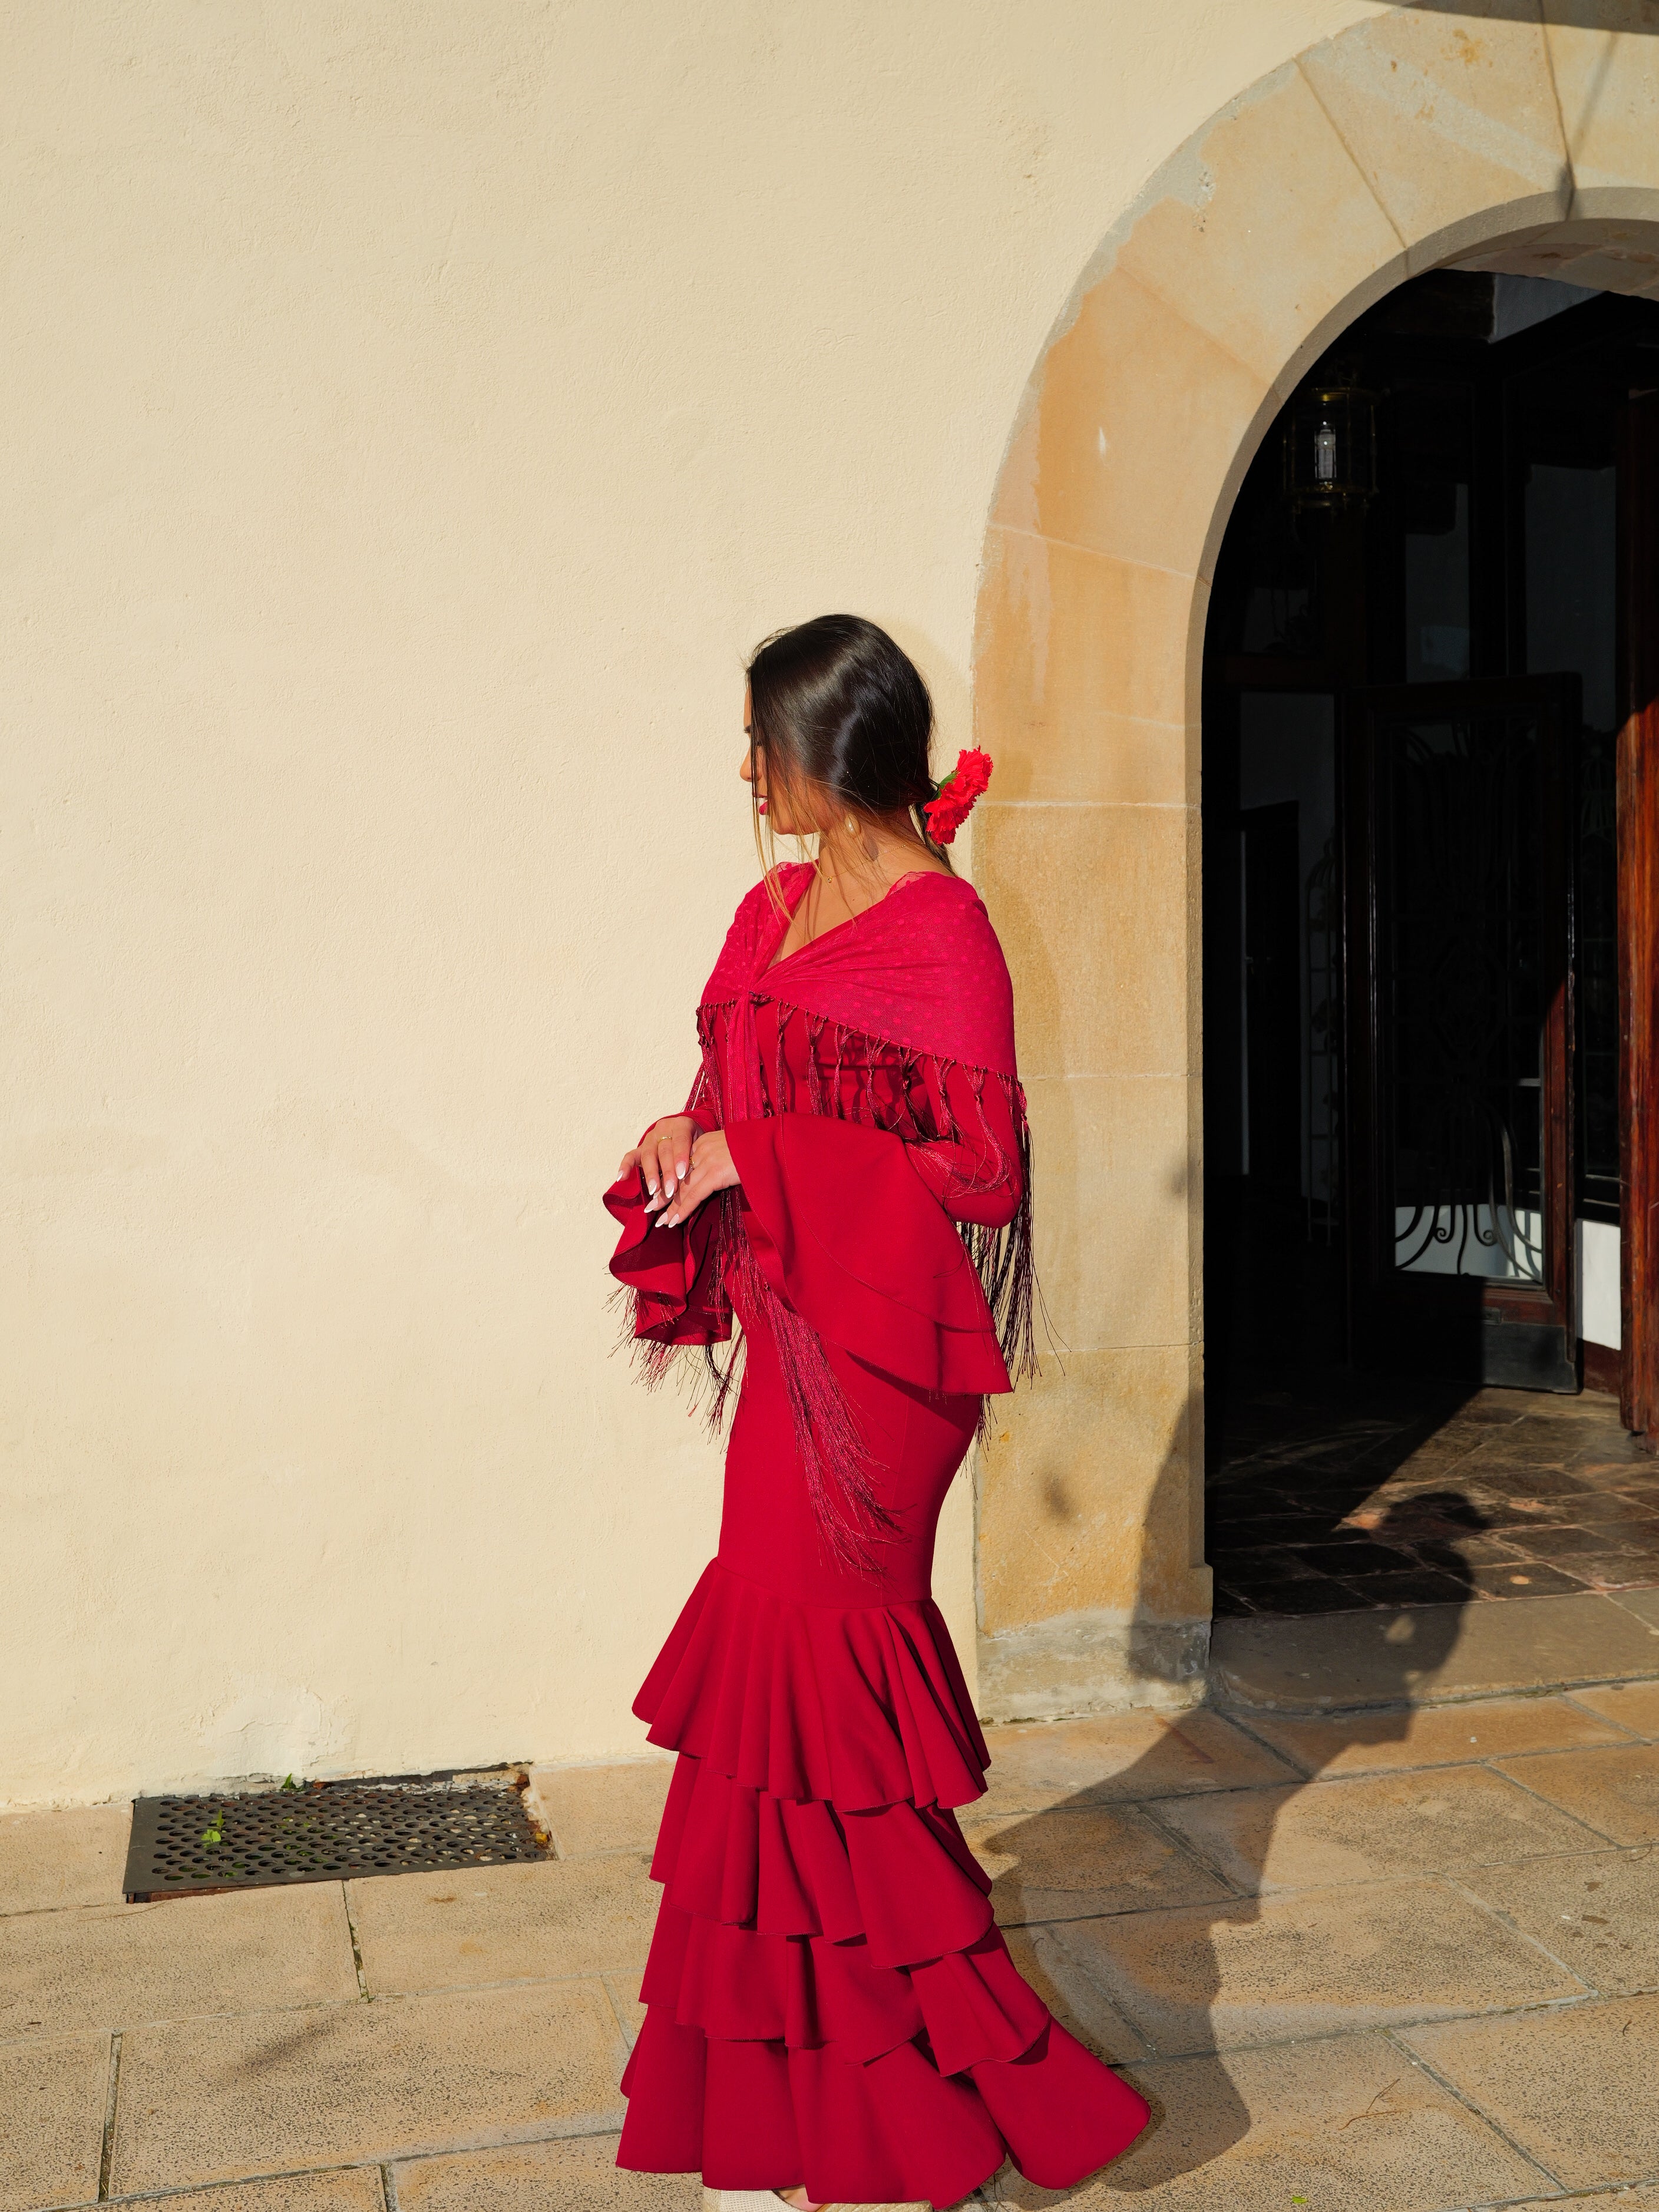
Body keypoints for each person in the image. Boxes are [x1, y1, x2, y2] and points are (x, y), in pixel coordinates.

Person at [603, 615, 1150, 2209]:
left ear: (833, 761)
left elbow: (978, 1172)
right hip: (793, 1326)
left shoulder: (943, 929)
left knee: (825, 1684)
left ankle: (937, 2084)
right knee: (775, 1685)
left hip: (885, 1363)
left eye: (765, 743)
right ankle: (794, 2095)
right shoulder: (770, 903)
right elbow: (734, 1084)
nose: (749, 773)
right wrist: (685, 1126)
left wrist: (759, 1162)